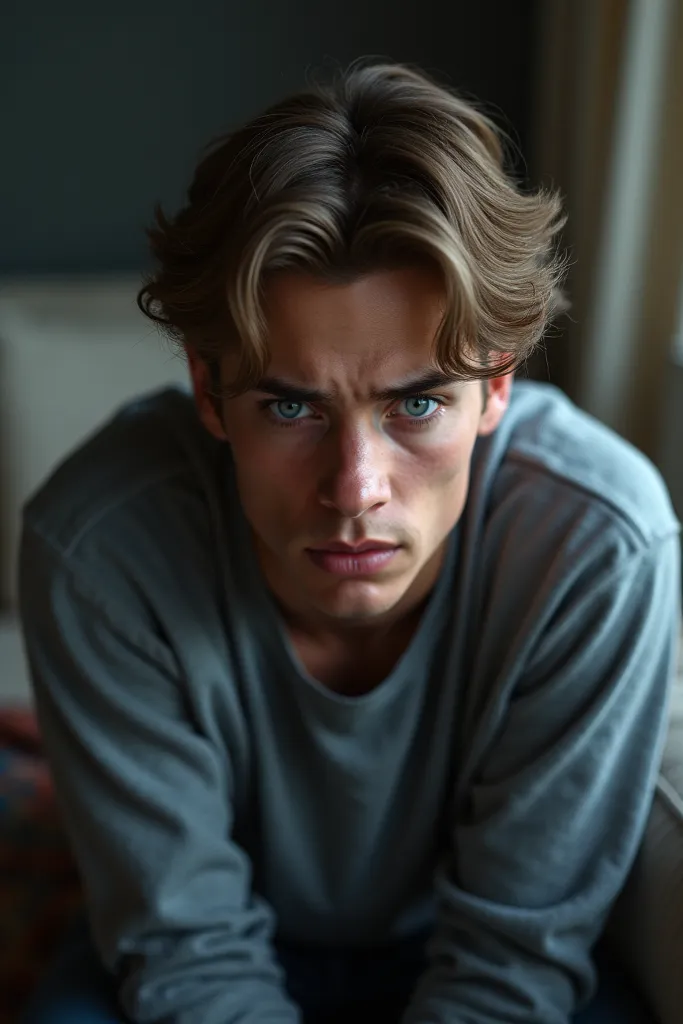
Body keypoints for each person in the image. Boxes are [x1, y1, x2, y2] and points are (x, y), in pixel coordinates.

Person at [19, 62, 680, 1024]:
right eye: (290, 406)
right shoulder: (101, 547)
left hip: (474, 946)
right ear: (209, 390)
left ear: (496, 383)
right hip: (200, 941)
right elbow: (186, 951)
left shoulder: (595, 544)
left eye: (416, 404)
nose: (354, 489)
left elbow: (512, 958)